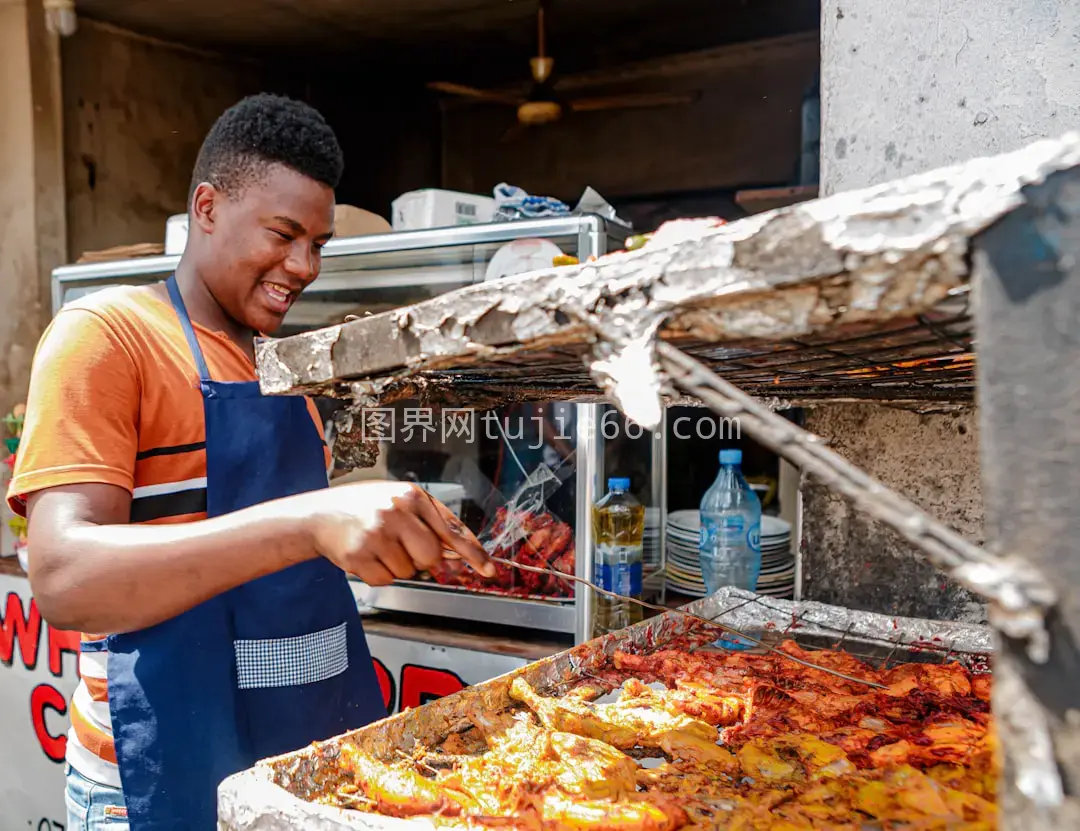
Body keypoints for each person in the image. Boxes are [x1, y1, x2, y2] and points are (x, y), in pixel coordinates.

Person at [6, 93, 492, 831]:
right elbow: (63, 578)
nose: (304, 266)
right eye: (284, 233)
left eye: (319, 243)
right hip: (160, 775)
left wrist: (382, 536)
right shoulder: (107, 336)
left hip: (298, 768)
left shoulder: (281, 372)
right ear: (207, 206)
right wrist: (308, 521)